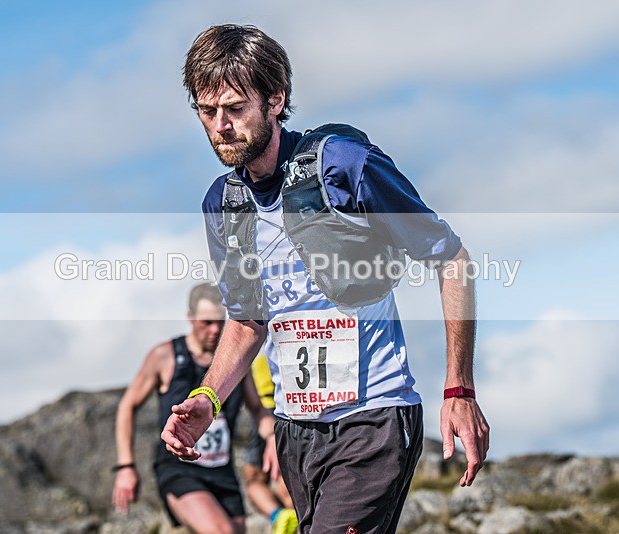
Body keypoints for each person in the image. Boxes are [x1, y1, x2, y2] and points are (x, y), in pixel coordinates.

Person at [162, 25, 490, 534]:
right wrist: (208, 398)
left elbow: (451, 259)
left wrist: (459, 390)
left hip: (373, 420)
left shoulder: (344, 165)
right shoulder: (222, 204)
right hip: (296, 432)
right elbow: (249, 319)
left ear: (276, 99)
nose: (220, 126)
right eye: (207, 112)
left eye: (234, 108)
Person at [113, 283, 278, 534]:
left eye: (219, 323)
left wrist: (272, 438)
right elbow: (128, 405)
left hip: (222, 471)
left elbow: (257, 410)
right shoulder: (165, 356)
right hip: (179, 469)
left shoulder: (233, 366)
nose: (214, 330)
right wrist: (126, 467)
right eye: (206, 322)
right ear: (190, 318)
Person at [243, 355, 298, 534]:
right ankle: (287, 515)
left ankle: (278, 515)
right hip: (288, 415)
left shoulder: (261, 359)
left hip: (263, 417)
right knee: (287, 479)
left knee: (255, 479)